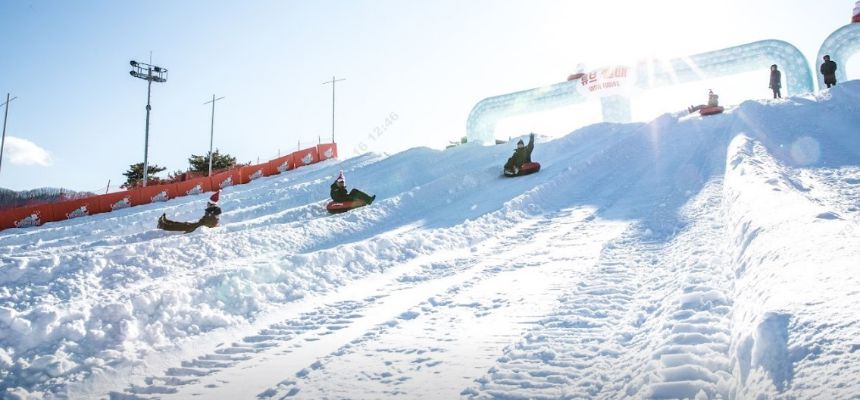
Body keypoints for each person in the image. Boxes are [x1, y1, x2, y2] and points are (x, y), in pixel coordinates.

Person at [157, 191, 222, 233]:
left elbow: (207, 224)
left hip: (198, 228)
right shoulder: (212, 211)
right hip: (199, 226)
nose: (207, 204)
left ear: (211, 204)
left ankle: (163, 225)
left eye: (208, 203)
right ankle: (166, 221)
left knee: (183, 226)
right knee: (184, 224)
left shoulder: (212, 212)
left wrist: (192, 230)